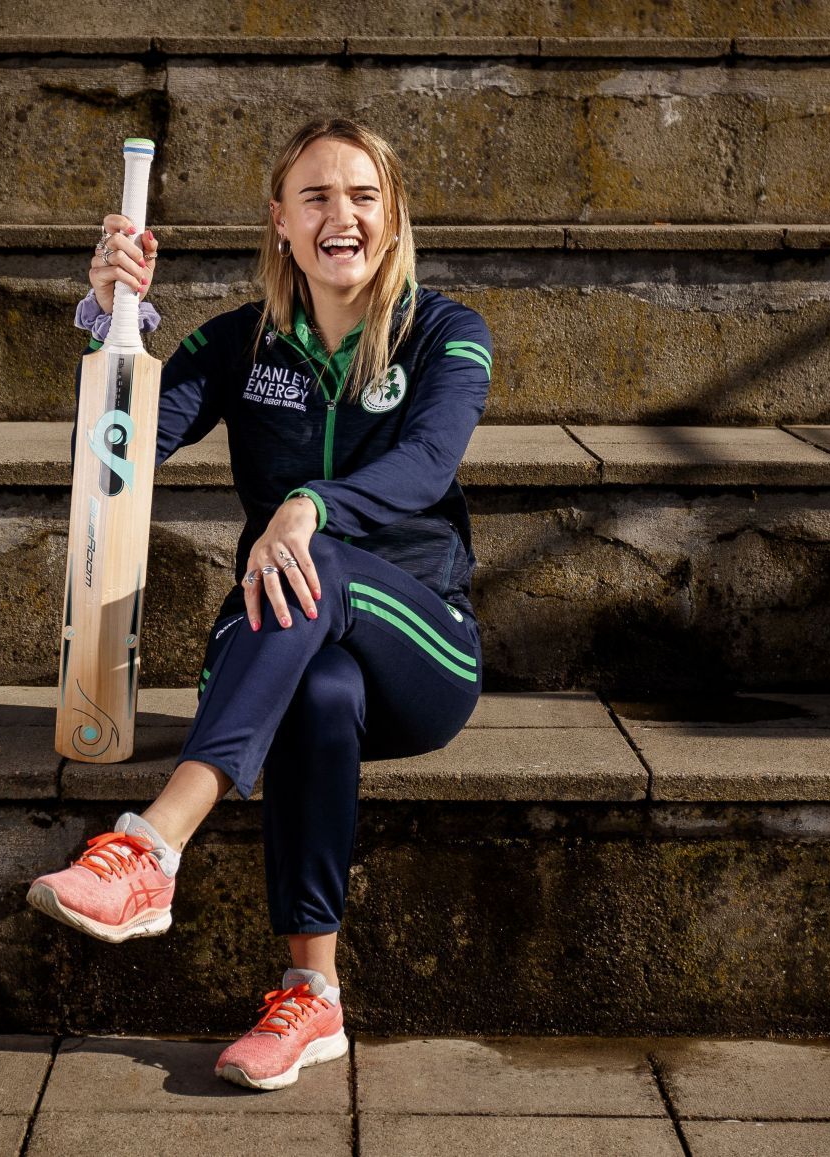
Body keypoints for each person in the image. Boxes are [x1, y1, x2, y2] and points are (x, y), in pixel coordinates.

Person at [27, 117, 492, 1091]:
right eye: (316, 196)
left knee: (309, 554)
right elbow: (118, 460)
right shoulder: (242, 343)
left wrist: (307, 503)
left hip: (424, 648)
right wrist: (111, 319)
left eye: (363, 195)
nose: (342, 216)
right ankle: (310, 995)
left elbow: (426, 465)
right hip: (289, 650)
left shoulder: (447, 333)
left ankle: (152, 843)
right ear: (281, 220)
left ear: (392, 213)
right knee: (317, 694)